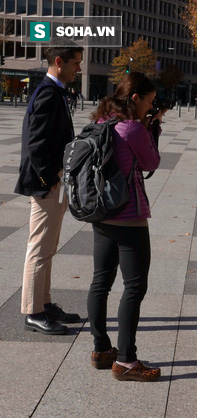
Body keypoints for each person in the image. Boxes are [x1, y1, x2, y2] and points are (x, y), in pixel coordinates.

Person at [87, 72, 162, 382]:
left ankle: (101, 350)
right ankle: (127, 361)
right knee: (134, 286)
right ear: (134, 99)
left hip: (100, 213)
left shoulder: (102, 120)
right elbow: (151, 163)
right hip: (128, 216)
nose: (150, 107)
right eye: (148, 101)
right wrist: (152, 130)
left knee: (100, 281)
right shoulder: (132, 128)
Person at [15, 39, 84, 335]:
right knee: (39, 248)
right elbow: (36, 144)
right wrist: (49, 180)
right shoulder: (47, 93)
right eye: (75, 63)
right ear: (59, 61)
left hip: (52, 181)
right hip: (46, 184)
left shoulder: (53, 91)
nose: (78, 68)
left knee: (48, 246)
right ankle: (33, 311)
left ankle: (44, 302)